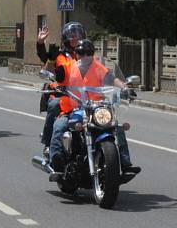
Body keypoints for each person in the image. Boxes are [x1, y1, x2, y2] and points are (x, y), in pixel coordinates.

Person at [48, 38, 140, 175]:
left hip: (97, 108)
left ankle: (125, 164)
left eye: (88, 53)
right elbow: (58, 78)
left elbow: (112, 78)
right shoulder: (70, 67)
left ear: (92, 54)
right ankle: (57, 164)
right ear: (77, 54)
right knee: (59, 127)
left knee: (116, 127)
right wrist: (55, 85)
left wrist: (125, 88)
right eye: (81, 52)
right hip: (74, 108)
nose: (84, 56)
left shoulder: (98, 67)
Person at [38, 22, 85, 156]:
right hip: (63, 94)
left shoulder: (87, 55)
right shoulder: (58, 55)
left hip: (85, 96)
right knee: (53, 105)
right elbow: (44, 58)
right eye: (72, 35)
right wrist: (40, 42)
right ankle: (48, 143)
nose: (75, 38)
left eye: (78, 35)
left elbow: (102, 72)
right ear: (66, 38)